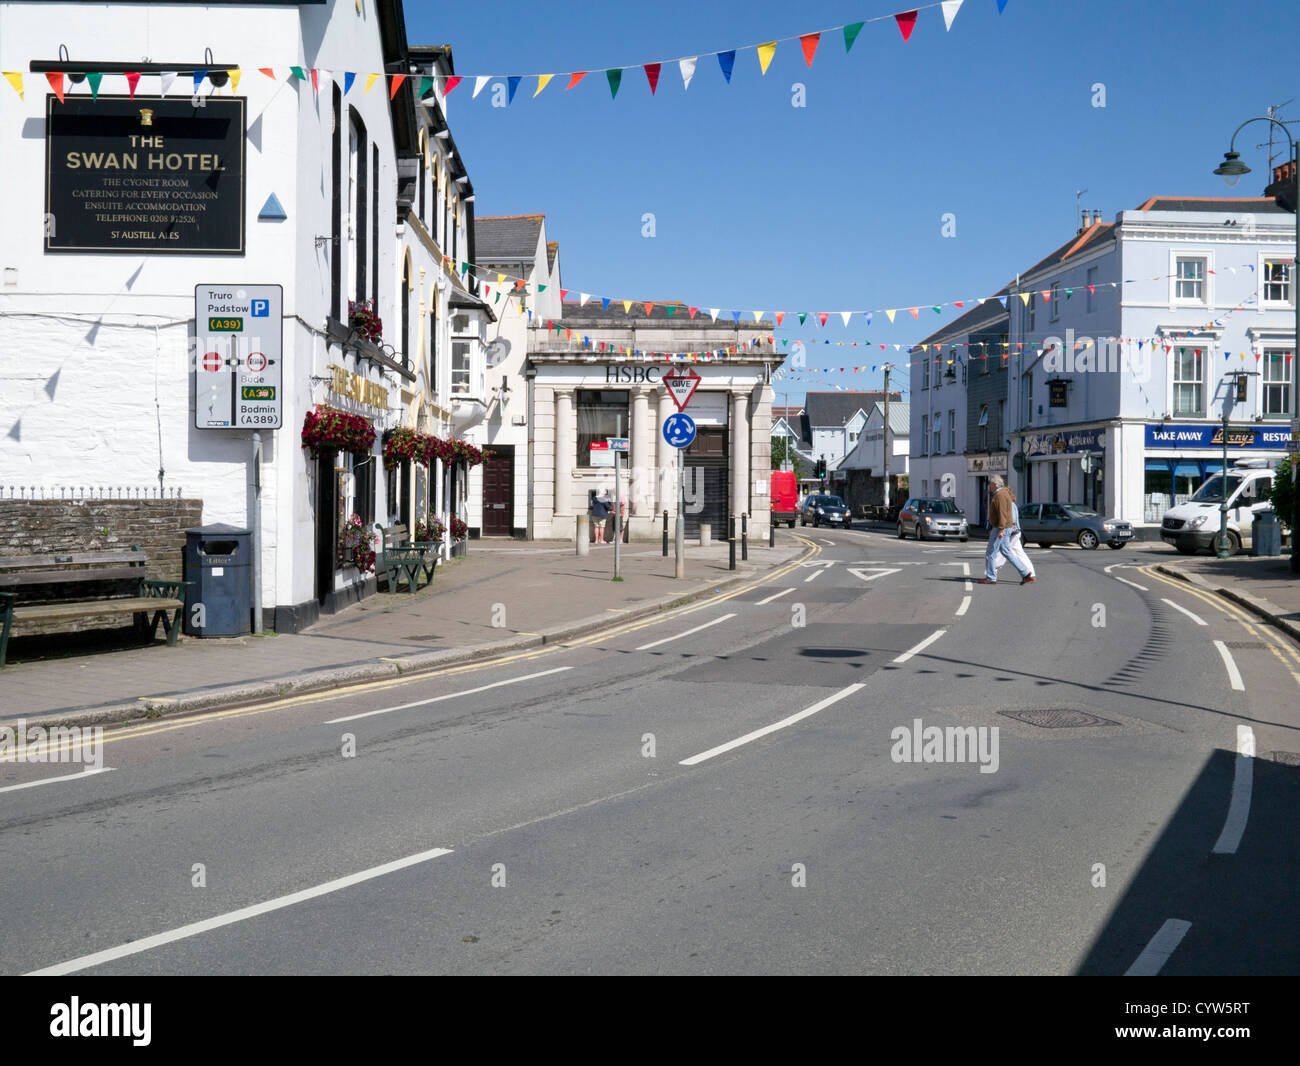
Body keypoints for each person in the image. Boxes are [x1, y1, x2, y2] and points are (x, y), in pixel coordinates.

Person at [978, 475, 1035, 585]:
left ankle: (990, 577)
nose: (989, 486)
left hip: (1001, 527)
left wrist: (1000, 530)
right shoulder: (1004, 494)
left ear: (994, 484)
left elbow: (1002, 513)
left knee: (991, 552)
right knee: (1007, 552)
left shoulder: (1000, 495)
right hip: (1005, 527)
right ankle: (1025, 573)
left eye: (990, 484)